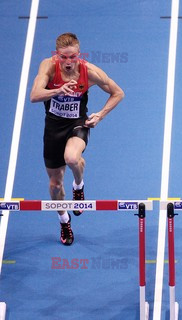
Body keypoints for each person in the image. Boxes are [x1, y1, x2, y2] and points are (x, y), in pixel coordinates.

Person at [30, 33, 124, 245]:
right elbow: (34, 95)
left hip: (77, 125)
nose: (68, 62)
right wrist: (56, 91)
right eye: (64, 57)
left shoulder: (89, 72)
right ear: (57, 55)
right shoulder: (48, 67)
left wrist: (100, 115)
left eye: (72, 57)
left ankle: (79, 186)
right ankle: (64, 220)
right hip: (53, 129)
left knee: (72, 158)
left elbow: (118, 93)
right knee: (54, 185)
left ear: (78, 55)